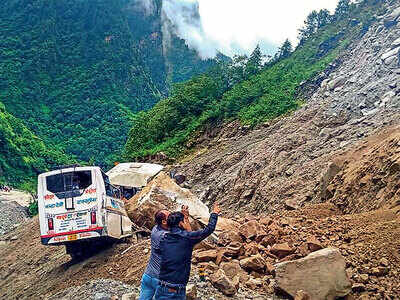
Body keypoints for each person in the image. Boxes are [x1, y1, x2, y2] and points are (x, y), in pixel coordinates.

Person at [155, 203, 221, 299]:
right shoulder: (187, 238)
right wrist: (214, 213)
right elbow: (209, 229)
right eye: (184, 221)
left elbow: (187, 236)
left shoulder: (164, 238)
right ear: (180, 224)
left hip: (162, 287)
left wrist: (185, 217)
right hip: (175, 291)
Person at [139, 209, 170, 300]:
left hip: (148, 276)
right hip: (160, 280)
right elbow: (189, 237)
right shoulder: (167, 236)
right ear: (164, 222)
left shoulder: (155, 229)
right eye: (170, 216)